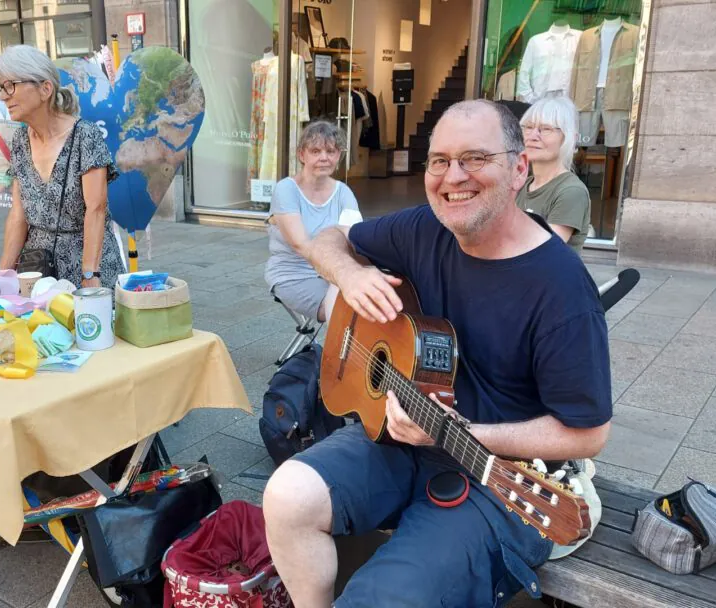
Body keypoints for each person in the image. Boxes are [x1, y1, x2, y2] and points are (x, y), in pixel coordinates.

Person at [262, 100, 612, 608]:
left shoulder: (560, 290)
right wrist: (350, 274)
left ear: (518, 169)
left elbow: (589, 433)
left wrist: (459, 433)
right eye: (440, 160)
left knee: (381, 598)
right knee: (287, 494)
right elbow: (326, 240)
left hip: (502, 474)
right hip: (402, 438)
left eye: (474, 158)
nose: (453, 177)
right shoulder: (424, 228)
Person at [0, 45, 124, 289]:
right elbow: (18, 214)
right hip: (37, 269)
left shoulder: (85, 136)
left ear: (45, 89)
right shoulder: (20, 141)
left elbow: (96, 208)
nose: (4, 96)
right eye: (0, 88)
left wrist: (90, 275)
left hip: (87, 264)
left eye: (11, 85)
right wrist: (4, 277)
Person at [265, 120, 360, 322]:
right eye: (315, 151)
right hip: (293, 274)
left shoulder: (343, 193)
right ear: (302, 155)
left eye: (331, 151)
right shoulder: (286, 190)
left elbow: (353, 239)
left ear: (339, 155)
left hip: (332, 273)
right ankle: (338, 352)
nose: (324, 158)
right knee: (349, 306)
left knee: (369, 299)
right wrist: (342, 272)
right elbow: (301, 245)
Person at [518, 96, 591, 252]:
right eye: (528, 127)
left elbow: (543, 252)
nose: (533, 136)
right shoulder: (520, 185)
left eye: (546, 129)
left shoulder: (571, 191)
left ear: (570, 137)